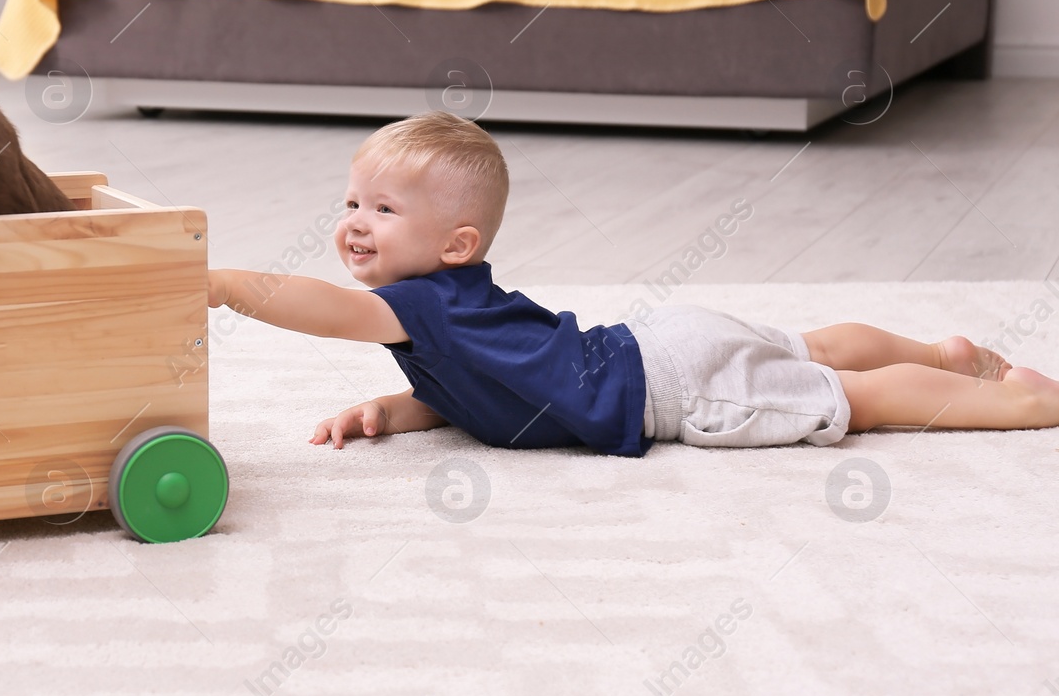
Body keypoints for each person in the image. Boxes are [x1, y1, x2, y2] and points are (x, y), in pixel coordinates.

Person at [205, 111, 1059, 455]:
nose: (354, 220)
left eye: (383, 208)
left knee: (853, 394)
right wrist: (391, 408)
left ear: (456, 241)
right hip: (661, 340)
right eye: (352, 199)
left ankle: (1023, 403)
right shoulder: (458, 306)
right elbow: (503, 387)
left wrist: (230, 284)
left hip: (671, 389)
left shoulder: (412, 304)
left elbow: (327, 312)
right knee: (815, 345)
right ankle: (942, 350)